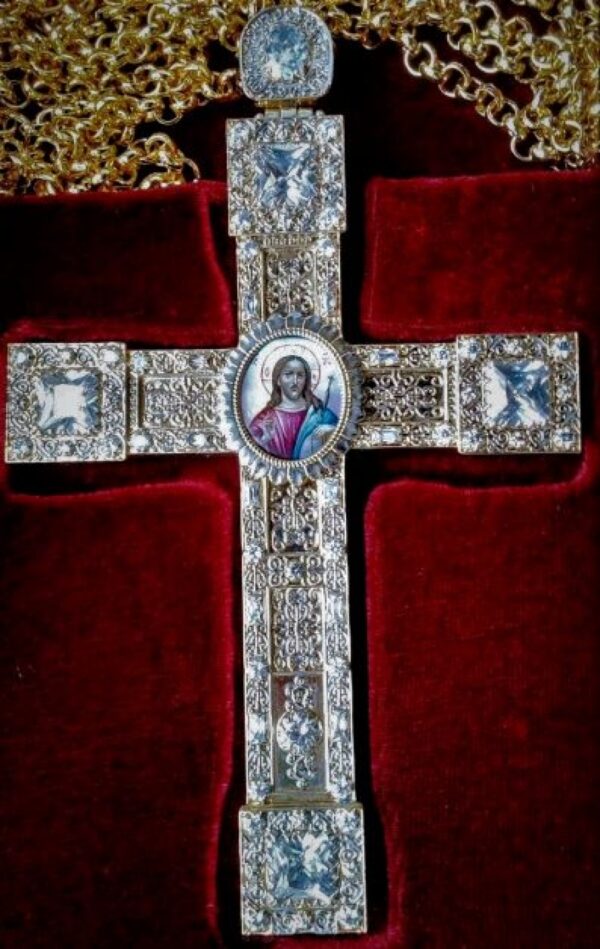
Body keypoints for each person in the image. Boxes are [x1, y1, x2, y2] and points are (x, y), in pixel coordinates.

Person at [248, 354, 338, 460]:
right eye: (288, 374)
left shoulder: (319, 414)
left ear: (305, 381)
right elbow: (250, 451)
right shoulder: (264, 419)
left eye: (300, 375)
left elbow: (341, 436)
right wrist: (265, 438)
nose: (295, 381)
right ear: (278, 380)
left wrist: (330, 430)